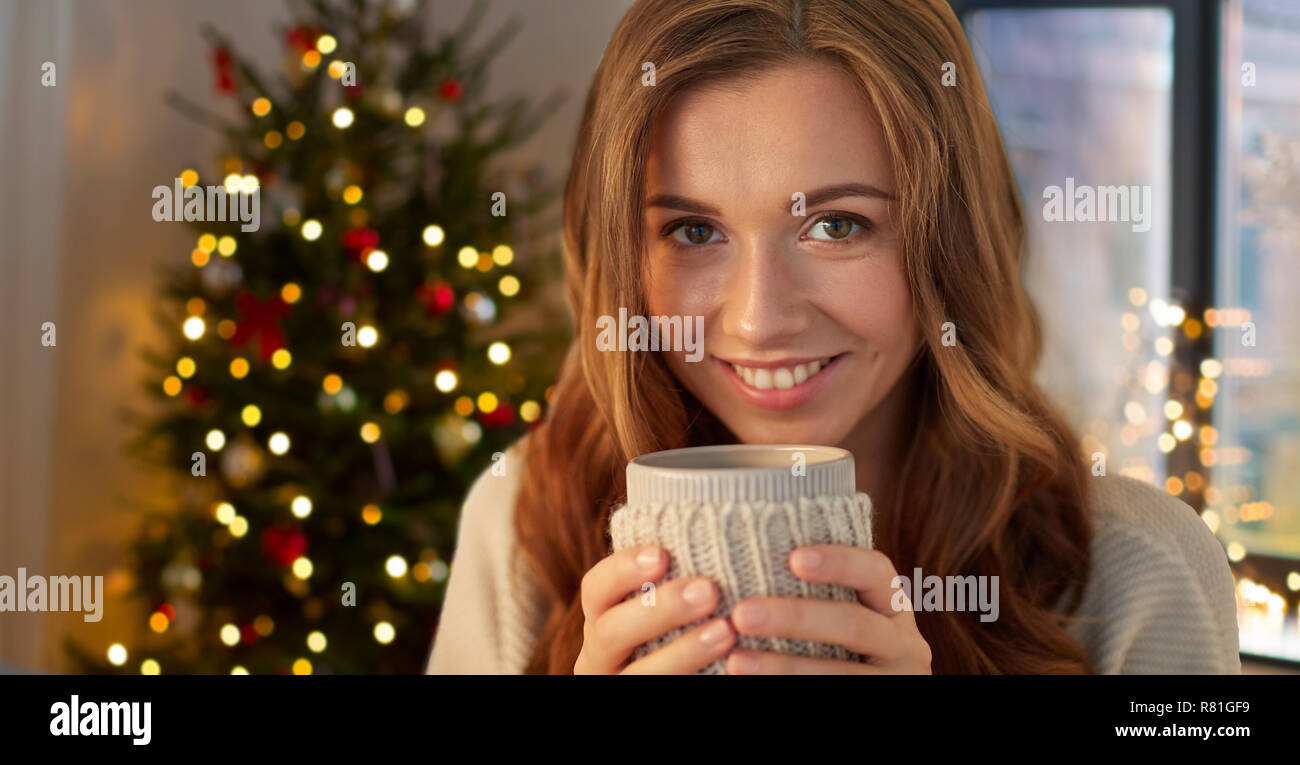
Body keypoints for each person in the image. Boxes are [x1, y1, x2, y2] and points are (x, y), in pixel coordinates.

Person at [426, 0, 1240, 675]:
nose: (757, 319)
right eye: (692, 231)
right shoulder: (523, 525)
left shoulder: (1138, 574)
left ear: (949, 241)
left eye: (837, 224)